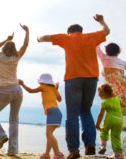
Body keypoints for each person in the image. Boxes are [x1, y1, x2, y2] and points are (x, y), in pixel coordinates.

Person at [37, 14, 110, 159]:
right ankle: (90, 144)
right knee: (86, 111)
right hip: (91, 79)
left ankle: (74, 150)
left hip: (73, 79)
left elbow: (46, 37)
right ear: (81, 31)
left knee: (72, 115)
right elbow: (106, 31)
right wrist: (101, 21)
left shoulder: (66, 38)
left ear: (69, 31)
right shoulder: (91, 37)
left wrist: (38, 38)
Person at [0, 23, 29, 156]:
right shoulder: (15, 58)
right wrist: (27, 31)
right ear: (13, 50)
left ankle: (0, 136)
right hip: (17, 90)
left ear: (5, 48)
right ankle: (12, 150)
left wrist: (6, 39)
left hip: (4, 91)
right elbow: (25, 46)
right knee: (14, 120)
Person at [18, 73, 64, 159]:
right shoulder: (53, 88)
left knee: (48, 133)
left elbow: (30, 91)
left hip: (52, 111)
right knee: (49, 134)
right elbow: (60, 99)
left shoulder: (43, 87)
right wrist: (56, 90)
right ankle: (47, 154)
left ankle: (57, 153)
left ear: (42, 82)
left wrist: (22, 84)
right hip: (57, 112)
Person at [95, 83, 124, 159]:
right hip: (119, 120)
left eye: (99, 92)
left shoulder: (104, 102)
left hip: (110, 119)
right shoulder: (117, 99)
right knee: (116, 138)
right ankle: (117, 155)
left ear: (103, 93)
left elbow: (101, 114)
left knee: (104, 130)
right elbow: (124, 105)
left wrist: (97, 124)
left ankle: (103, 146)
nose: (98, 94)